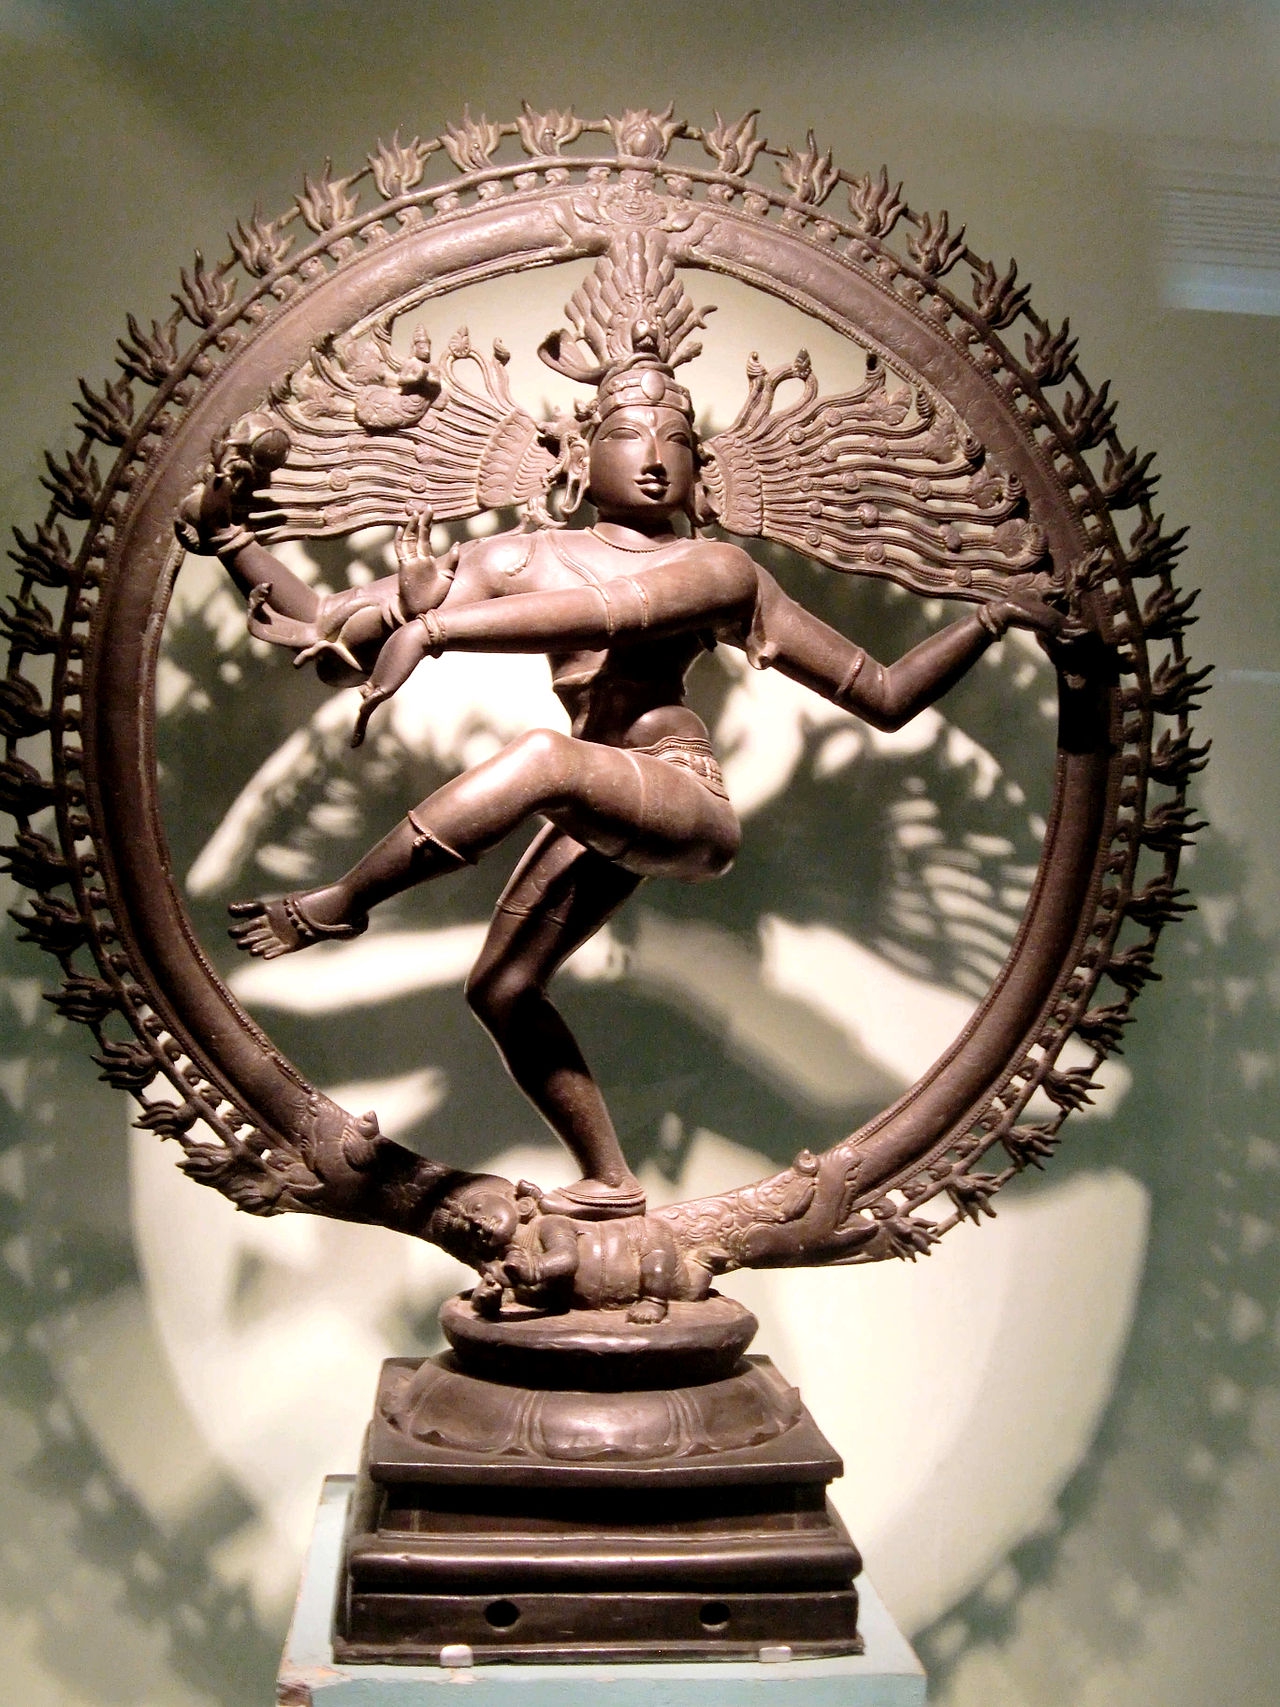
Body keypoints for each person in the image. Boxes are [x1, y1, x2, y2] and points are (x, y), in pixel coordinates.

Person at [181, 296, 1067, 1225]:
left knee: (542, 757)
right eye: (628, 436)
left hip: (680, 790)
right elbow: (330, 632)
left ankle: (344, 902)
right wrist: (233, 540)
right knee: (502, 988)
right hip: (593, 795)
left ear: (701, 470)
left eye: (677, 442)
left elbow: (877, 693)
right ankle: (610, 1178)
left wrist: (991, 617)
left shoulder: (720, 572)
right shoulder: (514, 560)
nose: (653, 458)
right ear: (578, 453)